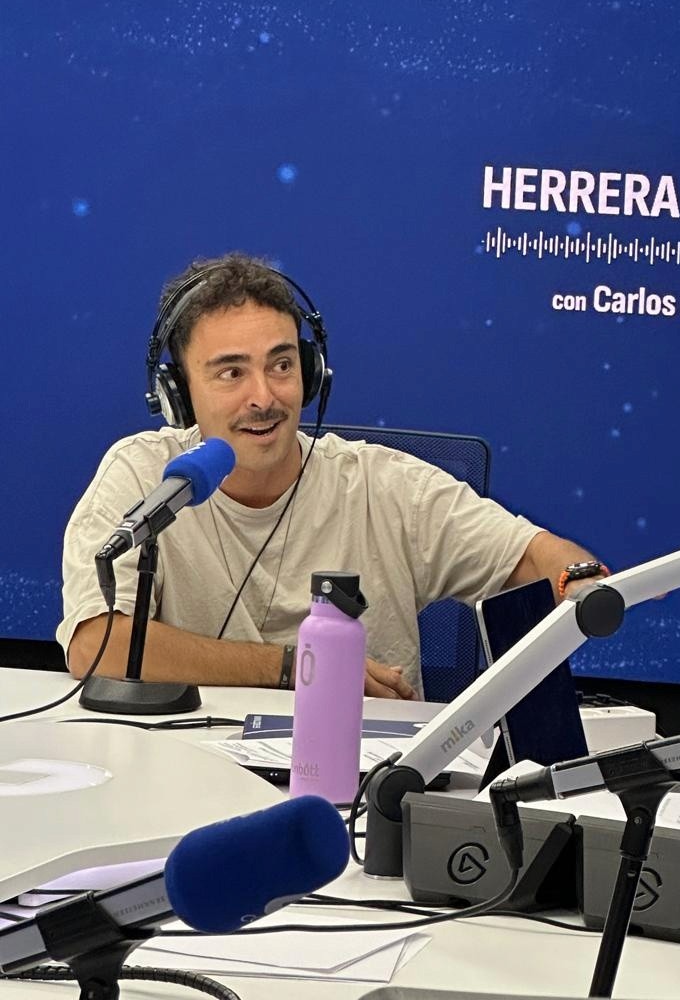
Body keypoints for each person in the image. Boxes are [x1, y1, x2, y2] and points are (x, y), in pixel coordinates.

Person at [60, 253, 603, 700]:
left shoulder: (386, 488)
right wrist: (296, 668)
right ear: (177, 394)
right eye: (231, 372)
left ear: (311, 373)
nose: (263, 397)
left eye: (281, 365)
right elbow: (95, 645)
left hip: (363, 779)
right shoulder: (147, 480)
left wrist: (576, 582)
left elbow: (536, 558)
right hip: (193, 773)